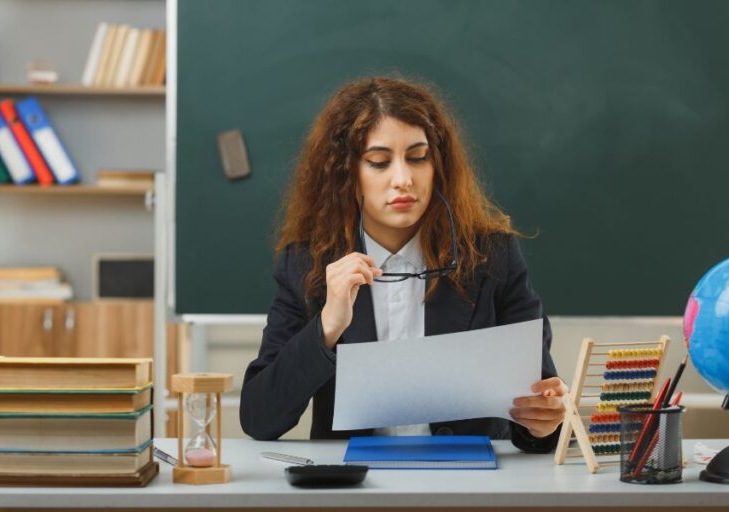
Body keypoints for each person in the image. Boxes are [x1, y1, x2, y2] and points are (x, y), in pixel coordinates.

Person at [240, 76, 567, 453]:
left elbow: (543, 411)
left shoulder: (493, 256)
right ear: (347, 174)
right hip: (354, 492)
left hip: (471, 488)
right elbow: (259, 419)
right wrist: (328, 325)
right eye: (379, 162)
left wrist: (546, 421)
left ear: (438, 165)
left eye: (418, 157)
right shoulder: (306, 264)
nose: (403, 179)